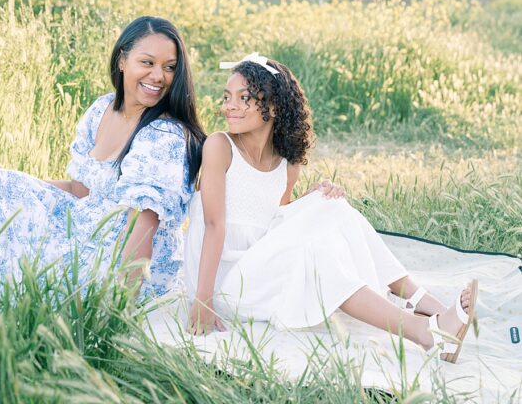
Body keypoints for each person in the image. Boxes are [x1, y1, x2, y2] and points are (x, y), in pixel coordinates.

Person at [0, 16, 205, 299]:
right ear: (122, 60)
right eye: (147, 62)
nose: (158, 76)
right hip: (83, 225)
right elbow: (79, 187)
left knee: (3, 247)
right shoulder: (103, 109)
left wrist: (120, 302)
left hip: (117, 257)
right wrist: (10, 181)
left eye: (169, 67)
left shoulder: (164, 136)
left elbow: (142, 226)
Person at [183, 53, 477, 363]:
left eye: (244, 98)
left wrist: (311, 200)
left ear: (273, 106)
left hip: (260, 265)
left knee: (332, 206)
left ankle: (431, 307)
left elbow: (273, 219)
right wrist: (203, 299)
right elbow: (215, 225)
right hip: (226, 281)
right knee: (317, 256)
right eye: (227, 97)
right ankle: (424, 331)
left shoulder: (287, 164)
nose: (229, 105)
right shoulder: (219, 146)